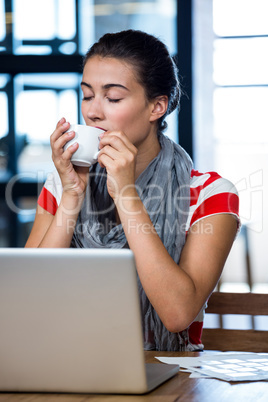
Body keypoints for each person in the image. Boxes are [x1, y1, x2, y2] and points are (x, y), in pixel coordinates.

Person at [25, 30, 239, 351]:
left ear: (157, 107)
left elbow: (178, 313)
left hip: (169, 375)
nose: (93, 111)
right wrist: (71, 194)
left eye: (112, 98)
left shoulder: (210, 194)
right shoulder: (62, 183)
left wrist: (126, 196)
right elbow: (26, 299)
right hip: (69, 358)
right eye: (87, 95)